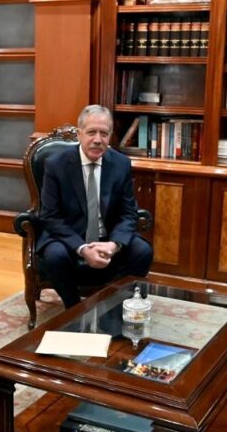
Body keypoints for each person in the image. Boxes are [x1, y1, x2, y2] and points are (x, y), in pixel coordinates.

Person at [36, 104, 153, 307]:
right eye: (91, 132)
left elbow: (128, 212)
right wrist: (81, 248)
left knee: (142, 250)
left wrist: (114, 244)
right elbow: (50, 216)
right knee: (55, 257)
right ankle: (75, 309)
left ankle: (111, 304)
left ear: (110, 136)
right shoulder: (56, 164)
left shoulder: (121, 163)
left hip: (107, 236)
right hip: (68, 236)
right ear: (79, 134)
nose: (97, 140)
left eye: (104, 133)